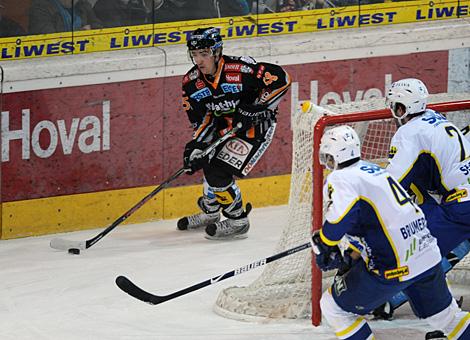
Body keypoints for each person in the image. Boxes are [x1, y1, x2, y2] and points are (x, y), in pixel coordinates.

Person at [313, 125, 470, 339]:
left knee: (332, 306)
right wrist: (349, 251)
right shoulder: (375, 171)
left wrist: (324, 242)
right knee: (448, 319)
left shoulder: (340, 179)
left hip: (395, 266)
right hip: (428, 255)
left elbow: (338, 222)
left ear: (332, 155)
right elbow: (378, 224)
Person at [178, 27, 291, 240]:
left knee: (218, 172)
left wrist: (256, 107)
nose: (199, 60)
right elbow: (203, 119)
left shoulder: (240, 69)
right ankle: (211, 213)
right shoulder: (191, 83)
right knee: (205, 158)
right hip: (225, 127)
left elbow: (281, 79)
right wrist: (196, 146)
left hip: (255, 128)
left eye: (204, 54)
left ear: (217, 52)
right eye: (194, 54)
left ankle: (237, 219)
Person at [386, 78, 470, 258]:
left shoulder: (408, 133)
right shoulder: (436, 116)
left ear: (401, 109)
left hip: (461, 207)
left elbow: (391, 185)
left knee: (414, 258)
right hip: (462, 203)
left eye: (394, 107)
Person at [29, 0, 102, 35]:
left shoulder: (83, 5)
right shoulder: (40, 8)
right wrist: (81, 31)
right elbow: (49, 39)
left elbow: (98, 27)